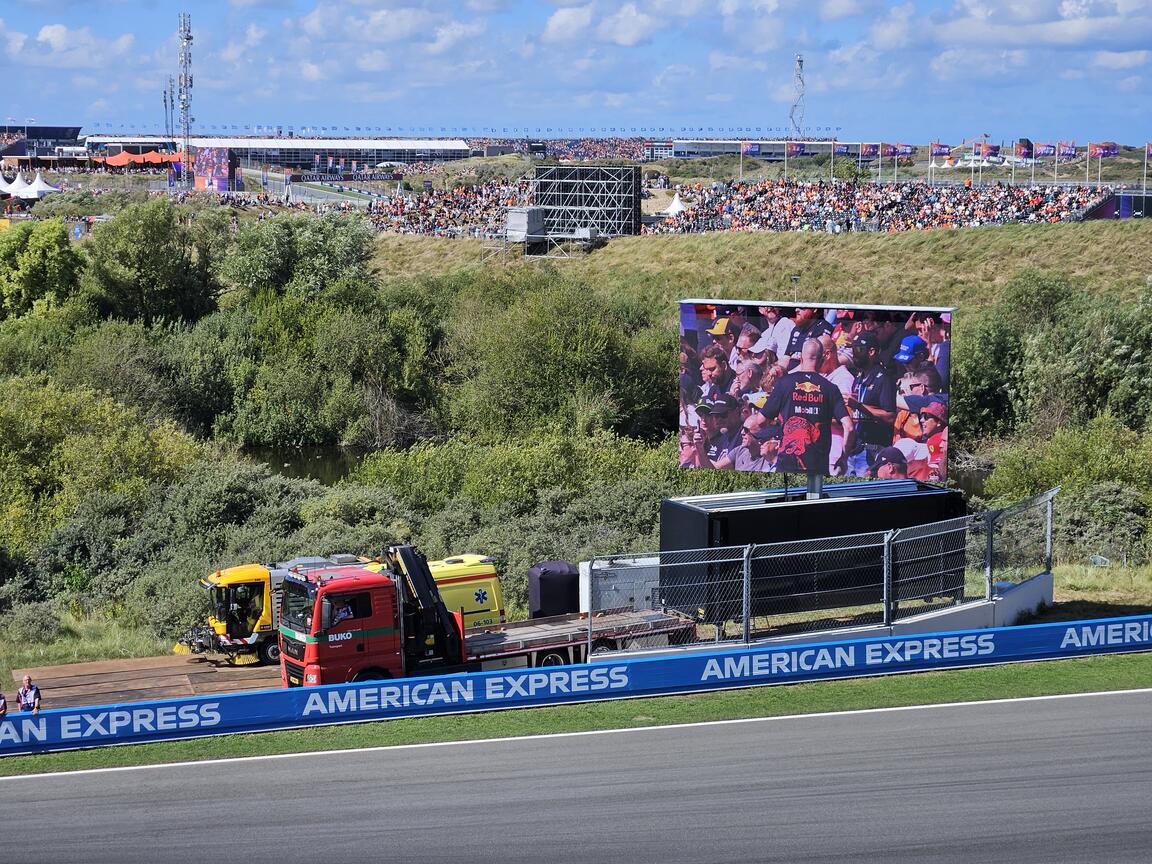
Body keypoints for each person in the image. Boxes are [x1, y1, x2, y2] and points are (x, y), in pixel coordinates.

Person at [752, 338, 854, 475]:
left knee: (788, 496)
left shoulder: (784, 384)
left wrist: (778, 421)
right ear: (821, 359)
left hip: (786, 465)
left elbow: (760, 421)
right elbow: (849, 427)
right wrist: (844, 457)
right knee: (813, 496)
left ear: (801, 357)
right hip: (817, 469)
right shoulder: (831, 388)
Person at [845, 331, 898, 477]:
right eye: (852, 350)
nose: (854, 354)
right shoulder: (858, 377)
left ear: (872, 351)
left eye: (858, 350)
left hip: (873, 449)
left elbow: (890, 417)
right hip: (854, 448)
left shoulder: (884, 378)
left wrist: (859, 406)